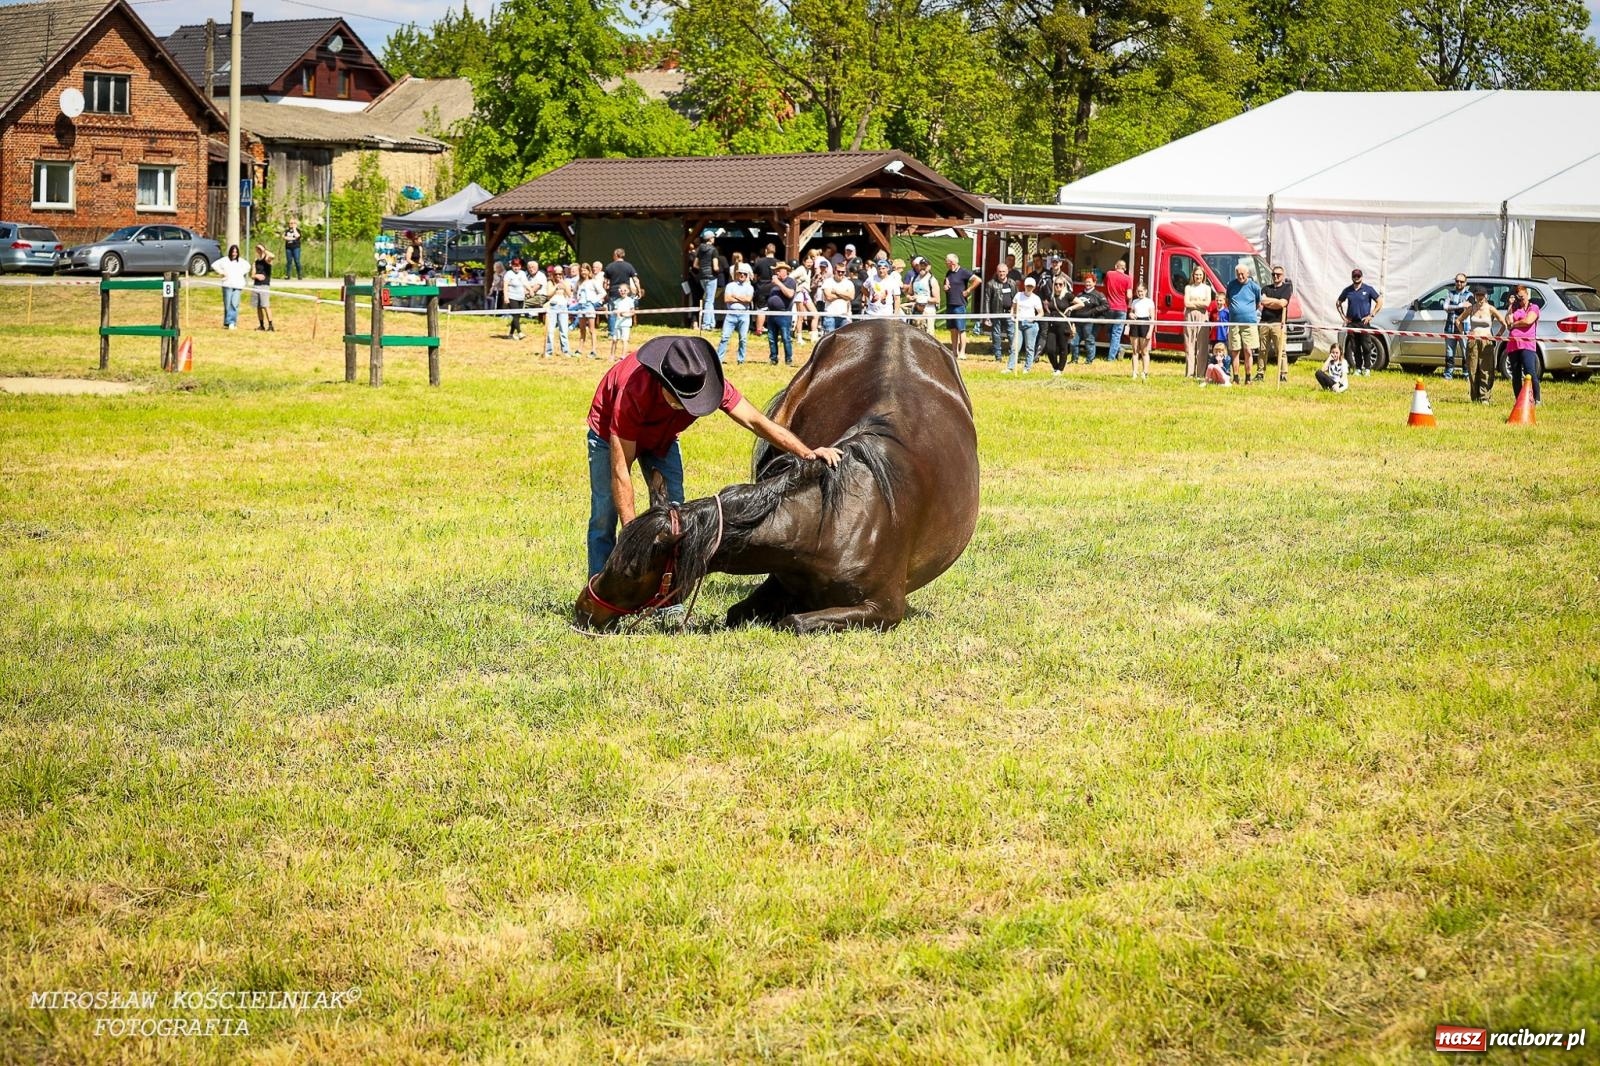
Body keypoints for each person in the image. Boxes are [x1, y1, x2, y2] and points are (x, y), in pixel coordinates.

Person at [585, 336, 843, 577]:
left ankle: (666, 596)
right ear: (661, 382)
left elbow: (756, 422)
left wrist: (808, 453)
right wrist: (633, 538)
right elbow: (621, 471)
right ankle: (600, 587)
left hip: (662, 439)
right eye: (678, 400)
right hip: (609, 436)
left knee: (674, 513)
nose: (685, 405)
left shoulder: (703, 381)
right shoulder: (634, 390)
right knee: (604, 513)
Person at [1336, 268, 1382, 376]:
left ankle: (1367, 368)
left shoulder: (1368, 289)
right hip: (1352, 322)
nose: (1356, 278)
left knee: (1366, 346)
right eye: (1354, 276)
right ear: (1352, 277)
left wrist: (1371, 315)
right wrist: (1343, 317)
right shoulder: (1348, 290)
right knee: (1354, 346)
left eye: (1358, 276)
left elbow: (1380, 301)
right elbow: (1338, 302)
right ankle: (1358, 368)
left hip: (1363, 322)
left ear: (1361, 277)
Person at [1463, 286, 1506, 403]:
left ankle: (1485, 397)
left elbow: (1504, 323)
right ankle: (1474, 396)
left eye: (1482, 295)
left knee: (1486, 369)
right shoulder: (1471, 308)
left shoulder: (1491, 309)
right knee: (1472, 370)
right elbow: (1458, 321)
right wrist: (1465, 333)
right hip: (1473, 341)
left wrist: (1496, 336)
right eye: (1478, 295)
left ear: (1486, 296)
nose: (1480, 298)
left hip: (1487, 341)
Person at [1225, 262, 1263, 384]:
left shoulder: (1255, 287)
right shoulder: (1231, 285)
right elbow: (1227, 301)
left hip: (1249, 324)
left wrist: (1247, 312)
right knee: (1234, 350)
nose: (1240, 276)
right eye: (1238, 274)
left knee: (1248, 350)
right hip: (1234, 323)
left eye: (1242, 274)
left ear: (1248, 273)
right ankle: (1235, 377)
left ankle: (1248, 378)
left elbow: (1258, 303)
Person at [1504, 283, 1541, 405]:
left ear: (1527, 294)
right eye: (1518, 298)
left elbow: (1528, 321)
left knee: (1530, 372)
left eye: (1522, 297)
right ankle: (1519, 400)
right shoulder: (1514, 308)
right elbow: (1508, 321)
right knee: (1515, 374)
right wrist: (1510, 305)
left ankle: (1536, 399)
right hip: (1513, 345)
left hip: (1527, 345)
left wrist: (1515, 324)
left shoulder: (1534, 307)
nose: (1521, 300)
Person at [1260, 265, 1293, 383]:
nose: (1275, 277)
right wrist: (1275, 302)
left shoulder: (1286, 288)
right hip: (1264, 323)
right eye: (1273, 274)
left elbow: (1283, 303)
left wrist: (1271, 302)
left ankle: (1283, 374)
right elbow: (1262, 300)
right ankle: (1260, 373)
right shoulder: (1266, 288)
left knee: (1281, 350)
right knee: (1263, 350)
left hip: (1278, 323)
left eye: (1278, 275)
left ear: (1282, 276)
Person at [716, 262, 755, 364]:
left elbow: (748, 300)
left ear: (747, 276)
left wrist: (735, 297)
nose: (742, 275)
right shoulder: (730, 286)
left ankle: (741, 360)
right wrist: (741, 299)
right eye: (740, 273)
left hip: (744, 315)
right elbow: (726, 299)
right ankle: (718, 359)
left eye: (744, 274)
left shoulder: (750, 287)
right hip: (731, 315)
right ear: (737, 274)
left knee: (743, 339)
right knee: (724, 337)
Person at [943, 253, 979, 360]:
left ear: (952, 262)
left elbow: (978, 280)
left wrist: (968, 290)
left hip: (960, 304)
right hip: (950, 304)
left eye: (947, 262)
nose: (946, 264)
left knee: (961, 329)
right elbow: (946, 285)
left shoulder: (963, 272)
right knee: (953, 329)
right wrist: (945, 287)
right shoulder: (948, 272)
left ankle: (962, 352)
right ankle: (954, 351)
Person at [1004, 276, 1043, 374]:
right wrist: (1012, 317)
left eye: (1031, 286)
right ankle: (1010, 367)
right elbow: (1013, 308)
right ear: (1024, 286)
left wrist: (1033, 319)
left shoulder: (1036, 298)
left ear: (1034, 287)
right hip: (1019, 323)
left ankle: (1027, 368)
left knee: (1029, 347)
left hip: (1031, 325)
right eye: (1027, 286)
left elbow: (1041, 313)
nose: (1029, 288)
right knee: (1015, 346)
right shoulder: (1018, 295)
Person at [1066, 274, 1108, 364]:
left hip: (1090, 322)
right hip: (1078, 322)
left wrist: (1093, 311)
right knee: (1074, 342)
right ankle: (1074, 360)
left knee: (1089, 341)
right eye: (1086, 281)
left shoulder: (1099, 295)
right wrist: (1072, 321)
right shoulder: (1080, 294)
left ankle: (1089, 361)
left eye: (1089, 281)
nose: (1087, 283)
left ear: (1094, 283)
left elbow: (1106, 306)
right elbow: (1074, 306)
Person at [1039, 273, 1074, 375]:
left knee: (1063, 348)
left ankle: (1060, 369)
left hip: (1063, 326)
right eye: (1056, 284)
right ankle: (1055, 367)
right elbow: (1049, 308)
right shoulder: (1051, 296)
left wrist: (1071, 308)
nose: (1058, 286)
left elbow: (1081, 303)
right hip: (1052, 325)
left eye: (1060, 284)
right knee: (1050, 349)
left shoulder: (1067, 295)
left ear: (1064, 285)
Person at [984, 263, 1019, 361]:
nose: (1002, 273)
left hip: (1010, 313)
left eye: (1003, 271)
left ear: (1007, 272)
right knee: (996, 334)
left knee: (1012, 334)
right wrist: (987, 317)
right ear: (997, 272)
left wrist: (1017, 312)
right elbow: (987, 300)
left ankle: (1013, 355)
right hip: (996, 313)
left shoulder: (1012, 283)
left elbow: (1017, 298)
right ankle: (998, 356)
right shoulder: (991, 284)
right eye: (1000, 271)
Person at [603, 248, 639, 338]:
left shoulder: (609, 266)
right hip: (626, 292)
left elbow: (605, 282)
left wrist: (606, 291)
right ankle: (625, 332)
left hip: (613, 292)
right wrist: (638, 290)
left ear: (615, 255)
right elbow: (636, 280)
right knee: (626, 312)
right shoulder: (629, 266)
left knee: (612, 313)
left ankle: (612, 333)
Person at [1442, 272, 1472, 381]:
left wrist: (1452, 307)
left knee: (1466, 352)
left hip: (1464, 328)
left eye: (1461, 281)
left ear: (1466, 283)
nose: (1459, 283)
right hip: (1450, 326)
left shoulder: (1469, 295)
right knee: (1449, 352)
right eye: (1457, 281)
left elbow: (1469, 308)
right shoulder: (1450, 293)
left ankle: (1466, 375)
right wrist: (1459, 305)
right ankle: (1448, 374)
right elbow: (1445, 307)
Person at [1183, 267, 1212, 377]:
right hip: (1189, 316)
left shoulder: (1207, 288)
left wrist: (1194, 302)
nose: (1198, 277)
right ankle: (1190, 373)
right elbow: (1186, 303)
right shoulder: (1188, 288)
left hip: (1202, 316)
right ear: (1193, 275)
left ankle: (1200, 374)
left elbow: (1207, 304)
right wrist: (1200, 302)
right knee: (1189, 345)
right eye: (1196, 275)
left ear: (1203, 276)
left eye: (1200, 275)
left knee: (1202, 346)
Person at [212, 244, 249, 329]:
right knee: (227, 304)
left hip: (238, 285)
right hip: (227, 284)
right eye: (233, 251)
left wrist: (241, 274)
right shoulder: (225, 260)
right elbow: (214, 265)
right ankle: (227, 323)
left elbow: (248, 267)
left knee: (234, 304)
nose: (234, 253)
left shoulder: (241, 261)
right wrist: (222, 273)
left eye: (236, 252)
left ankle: (232, 322)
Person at [767, 260, 797, 365]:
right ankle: (773, 358)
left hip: (784, 314)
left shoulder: (790, 282)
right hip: (772, 314)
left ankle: (788, 359)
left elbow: (790, 294)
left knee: (785, 338)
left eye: (778, 271)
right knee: (771, 338)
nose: (776, 273)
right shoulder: (773, 283)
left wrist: (779, 284)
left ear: (784, 271)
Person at [1102, 259, 1132, 361]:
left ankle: (1117, 349)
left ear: (1116, 266)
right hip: (1121, 308)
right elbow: (1129, 295)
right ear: (1125, 268)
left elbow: (1104, 285)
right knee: (1117, 333)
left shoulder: (1109, 274)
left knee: (1109, 331)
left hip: (1110, 307)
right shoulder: (1128, 278)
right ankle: (1111, 357)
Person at [576, 263, 604, 358]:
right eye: (582, 270)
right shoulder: (579, 282)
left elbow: (602, 293)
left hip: (589, 306)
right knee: (582, 329)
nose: (583, 272)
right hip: (581, 306)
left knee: (591, 329)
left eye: (585, 270)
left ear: (589, 271)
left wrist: (594, 300)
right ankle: (580, 349)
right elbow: (575, 292)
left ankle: (593, 350)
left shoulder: (593, 282)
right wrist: (577, 299)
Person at [694, 230, 721, 331]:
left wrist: (702, 269)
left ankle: (712, 323)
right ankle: (705, 325)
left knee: (709, 300)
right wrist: (720, 270)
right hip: (711, 277)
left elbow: (695, 265)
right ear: (710, 239)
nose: (714, 239)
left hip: (702, 277)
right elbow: (715, 267)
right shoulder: (714, 250)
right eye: (713, 237)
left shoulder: (700, 249)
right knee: (709, 301)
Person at [1128, 281, 1155, 379]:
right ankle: (1134, 372)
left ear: (1146, 291)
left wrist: (1150, 331)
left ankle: (1145, 372)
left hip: (1145, 325)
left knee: (1144, 351)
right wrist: (1130, 314)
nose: (1140, 293)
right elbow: (1131, 312)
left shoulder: (1150, 302)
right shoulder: (1134, 301)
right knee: (1135, 350)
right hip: (1135, 324)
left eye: (1142, 291)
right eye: (1138, 291)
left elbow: (1152, 318)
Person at [544, 268, 572, 358]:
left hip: (563, 307)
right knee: (550, 330)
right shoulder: (550, 283)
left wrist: (563, 284)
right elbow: (548, 294)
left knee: (564, 330)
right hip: (553, 306)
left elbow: (569, 294)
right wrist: (556, 286)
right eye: (556, 274)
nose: (558, 276)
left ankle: (566, 351)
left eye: (560, 274)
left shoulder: (565, 282)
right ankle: (549, 351)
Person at [751, 242, 777, 336]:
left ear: (766, 251)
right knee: (773, 309)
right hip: (774, 287)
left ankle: (759, 330)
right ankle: (773, 330)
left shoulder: (759, 262)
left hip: (761, 287)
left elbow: (754, 276)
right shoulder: (778, 262)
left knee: (761, 310)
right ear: (774, 251)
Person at [906, 257, 938, 332]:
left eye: (924, 266)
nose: (922, 268)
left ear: (929, 267)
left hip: (928, 311)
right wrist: (910, 297)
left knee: (928, 335)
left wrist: (922, 298)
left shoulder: (932, 280)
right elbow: (909, 294)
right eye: (921, 265)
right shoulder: (914, 279)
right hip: (916, 311)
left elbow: (937, 299)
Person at [821, 264, 854, 335]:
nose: (840, 273)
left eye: (843, 272)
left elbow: (851, 297)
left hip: (844, 315)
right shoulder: (828, 282)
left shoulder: (849, 283)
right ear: (834, 271)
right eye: (838, 271)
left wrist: (837, 292)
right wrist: (844, 295)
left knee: (845, 339)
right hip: (830, 314)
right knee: (829, 339)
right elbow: (828, 297)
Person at [503, 257, 530, 340]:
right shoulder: (508, 274)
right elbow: (505, 285)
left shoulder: (522, 273)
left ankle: (510, 334)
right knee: (515, 315)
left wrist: (530, 290)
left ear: (521, 266)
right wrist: (506, 297)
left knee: (517, 316)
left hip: (521, 297)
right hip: (512, 297)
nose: (516, 268)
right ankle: (519, 332)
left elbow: (525, 283)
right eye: (515, 266)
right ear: (512, 266)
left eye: (518, 266)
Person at [250, 244, 275, 332]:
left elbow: (272, 256)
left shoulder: (267, 260)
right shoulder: (256, 261)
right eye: (257, 248)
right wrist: (256, 276)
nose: (258, 250)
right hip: (256, 285)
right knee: (258, 307)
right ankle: (261, 325)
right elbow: (252, 275)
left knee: (265, 306)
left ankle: (271, 325)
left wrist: (264, 250)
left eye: (260, 248)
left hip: (264, 285)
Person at [608, 286, 635, 360]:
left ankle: (623, 356)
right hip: (618, 324)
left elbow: (633, 312)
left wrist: (626, 315)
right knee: (614, 340)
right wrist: (618, 314)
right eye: (621, 290)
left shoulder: (630, 300)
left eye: (624, 290)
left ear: (628, 291)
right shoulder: (617, 301)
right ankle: (612, 355)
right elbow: (616, 311)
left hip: (626, 324)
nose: (623, 292)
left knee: (624, 340)